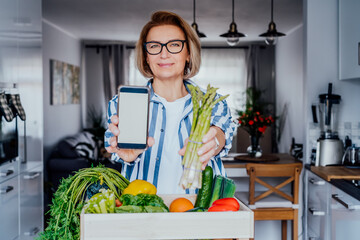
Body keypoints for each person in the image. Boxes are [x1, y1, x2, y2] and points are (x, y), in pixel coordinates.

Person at [105, 11, 236, 194]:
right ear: (146, 56)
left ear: (188, 53)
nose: (164, 54)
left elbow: (222, 136)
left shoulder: (212, 102)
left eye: (174, 45)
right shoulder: (121, 103)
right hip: (141, 209)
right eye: (154, 46)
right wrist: (126, 155)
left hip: (203, 212)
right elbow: (112, 144)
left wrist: (213, 141)